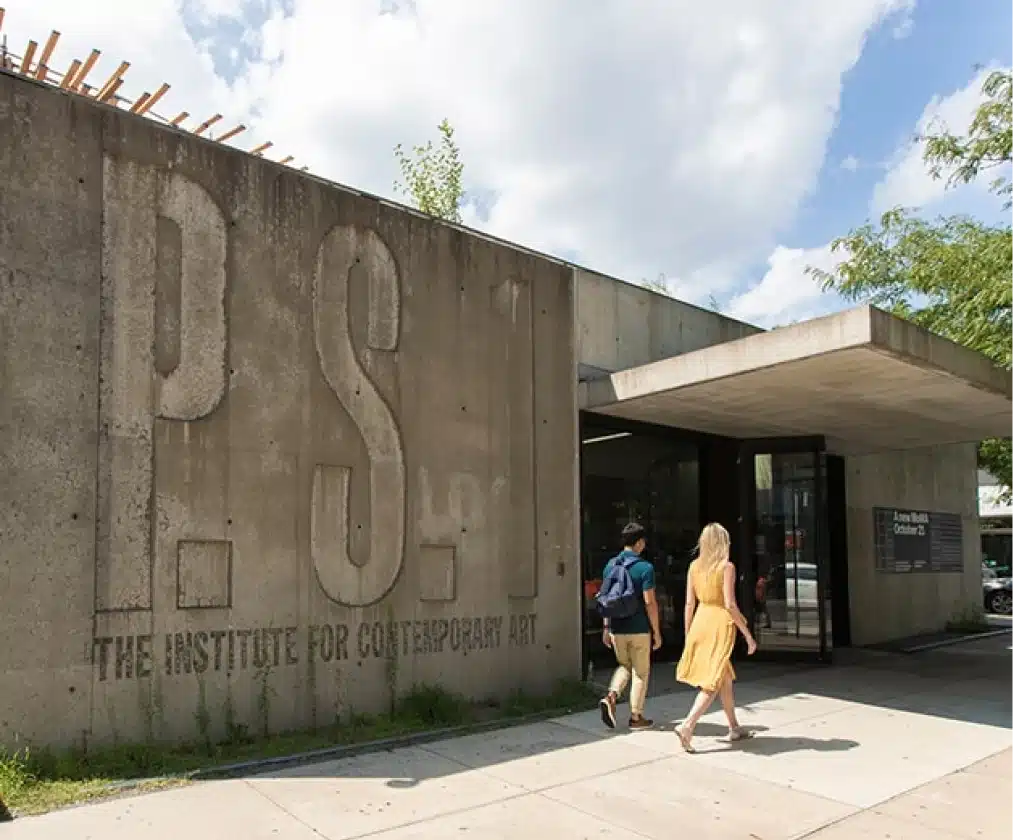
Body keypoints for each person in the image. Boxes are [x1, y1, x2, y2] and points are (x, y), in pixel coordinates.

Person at [675, 522, 757, 752]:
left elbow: (689, 603)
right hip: (719, 623)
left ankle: (734, 727)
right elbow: (730, 604)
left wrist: (688, 632)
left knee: (724, 679)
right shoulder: (726, 567)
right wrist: (748, 635)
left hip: (700, 621)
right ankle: (688, 725)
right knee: (713, 680)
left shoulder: (694, 566)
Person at [598, 522, 662, 730]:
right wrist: (657, 632)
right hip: (639, 628)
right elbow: (649, 602)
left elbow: (605, 598)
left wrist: (606, 628)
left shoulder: (610, 565)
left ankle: (611, 695)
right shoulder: (645, 568)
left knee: (624, 665)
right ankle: (636, 717)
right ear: (640, 543)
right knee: (640, 672)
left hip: (617, 628)